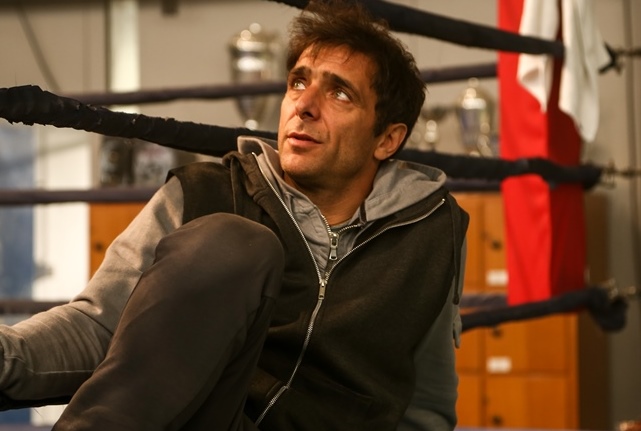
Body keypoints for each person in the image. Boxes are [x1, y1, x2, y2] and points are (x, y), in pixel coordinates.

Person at [0, 0, 468, 429]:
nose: (304, 106)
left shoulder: (431, 231)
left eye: (340, 94)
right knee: (235, 243)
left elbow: (426, 402)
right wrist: (7, 354)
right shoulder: (204, 194)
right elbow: (100, 325)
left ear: (387, 139)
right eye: (298, 82)